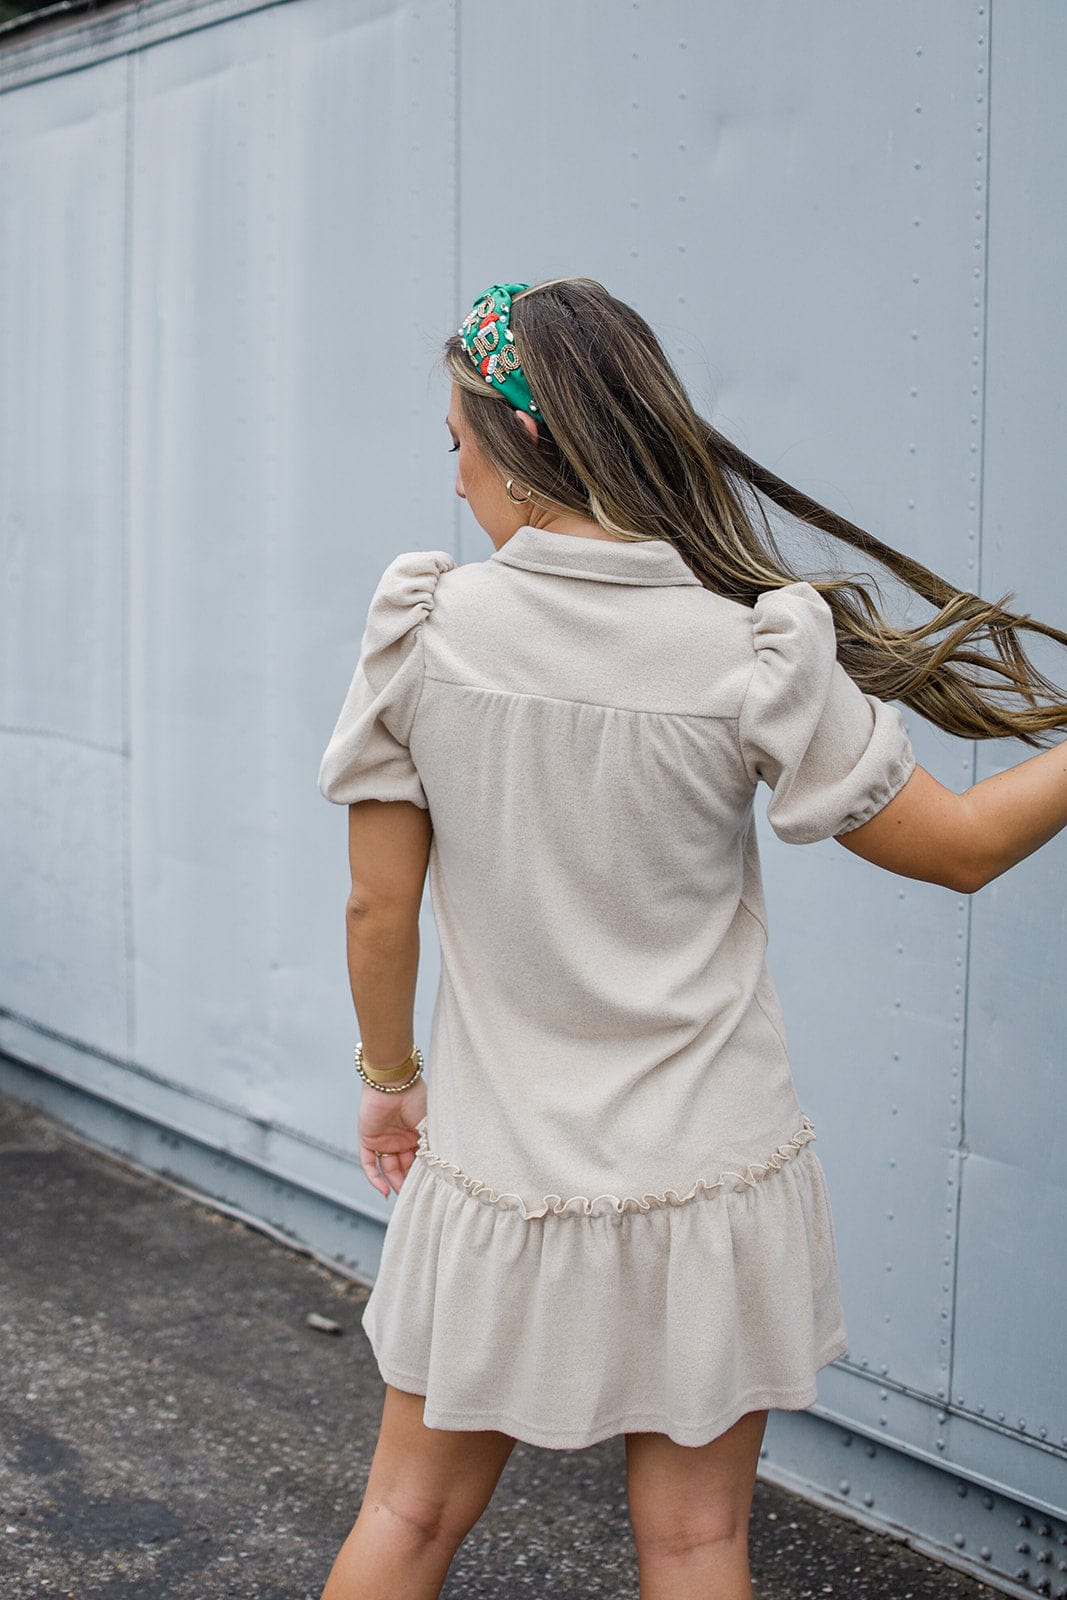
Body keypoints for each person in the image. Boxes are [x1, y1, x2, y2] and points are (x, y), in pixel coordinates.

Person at [315, 279, 1067, 1600]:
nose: (455, 485)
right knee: (700, 1544)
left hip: (498, 1168)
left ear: (524, 445)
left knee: (409, 1517)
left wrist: (390, 1085)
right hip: (709, 1178)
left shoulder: (429, 629)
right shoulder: (749, 650)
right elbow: (958, 847)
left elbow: (380, 910)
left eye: (458, 445)